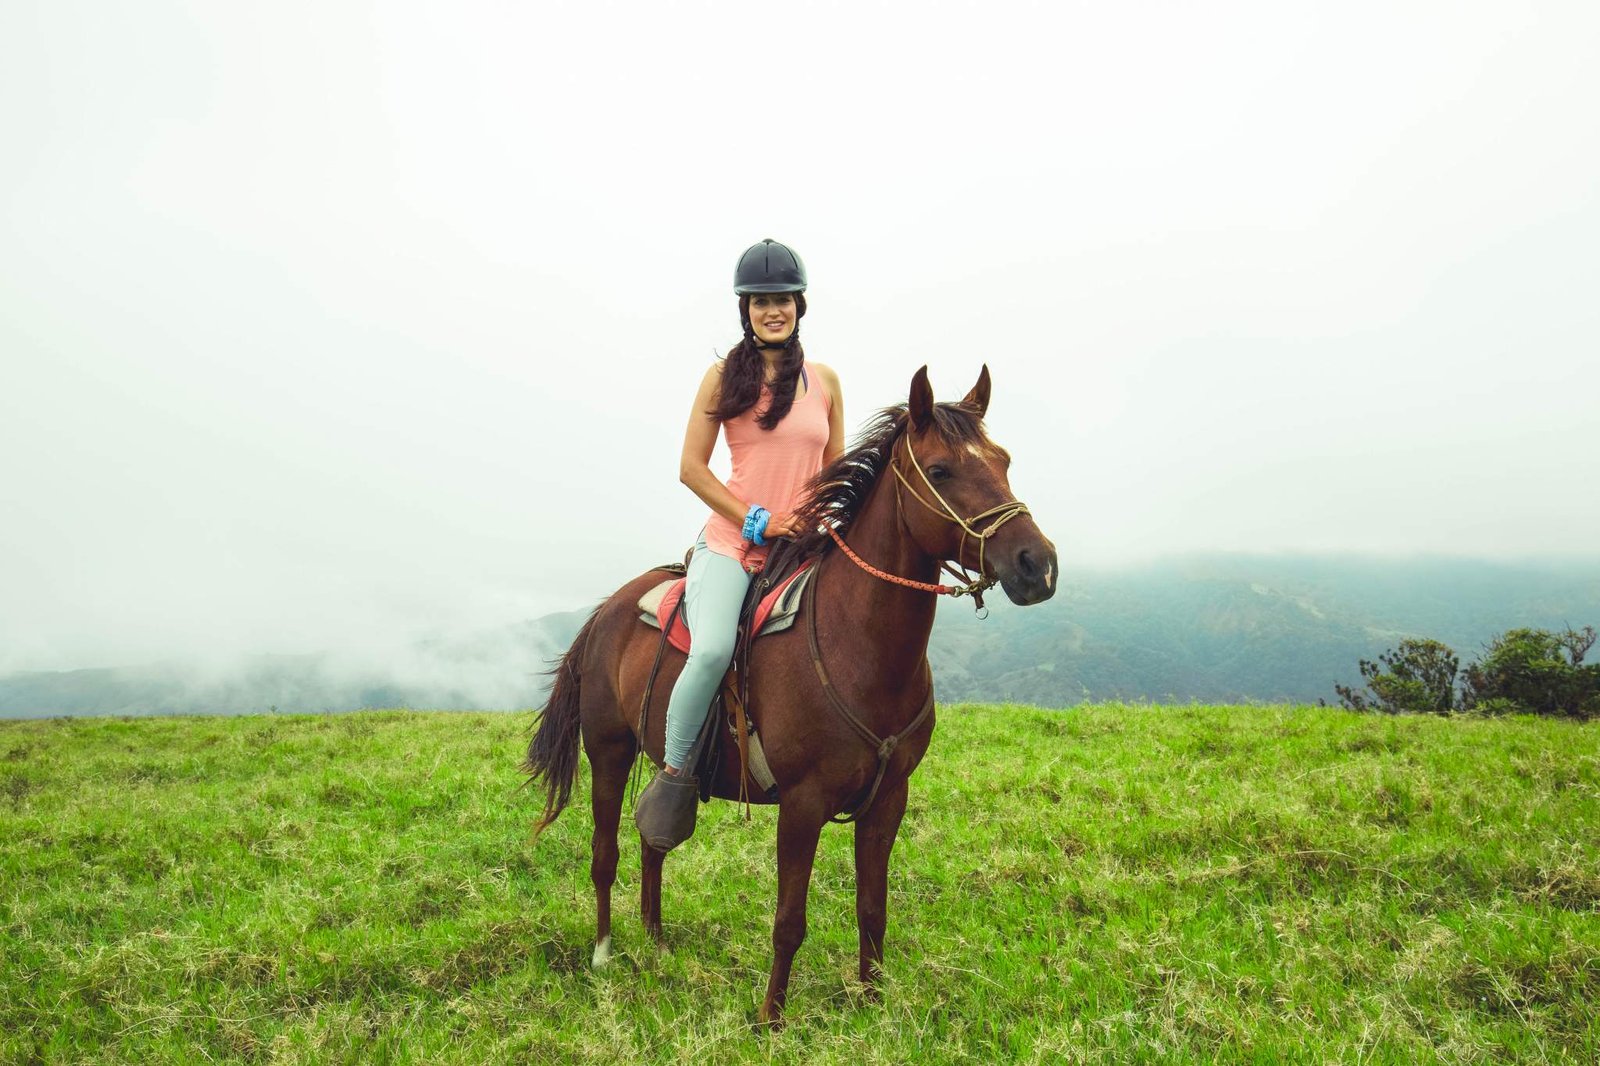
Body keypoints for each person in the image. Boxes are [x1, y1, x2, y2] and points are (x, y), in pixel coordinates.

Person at [635, 238, 845, 849]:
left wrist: (826, 525)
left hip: (802, 549)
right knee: (710, 651)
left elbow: (835, 470)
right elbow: (691, 468)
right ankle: (675, 774)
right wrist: (758, 521)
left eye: (781, 299)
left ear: (799, 305)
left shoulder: (824, 380)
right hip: (734, 544)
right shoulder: (723, 377)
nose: (771, 310)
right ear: (745, 310)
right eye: (759, 302)